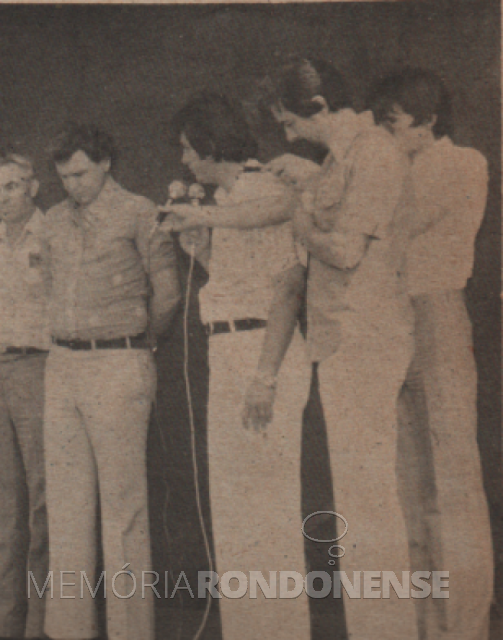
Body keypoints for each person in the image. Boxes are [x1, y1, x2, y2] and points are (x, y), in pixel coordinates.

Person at [266, 58, 415, 640]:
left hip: (364, 341)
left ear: (320, 106)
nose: (288, 136)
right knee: (360, 503)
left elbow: (347, 251)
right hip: (343, 341)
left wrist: (300, 216)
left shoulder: (374, 152)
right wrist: (309, 185)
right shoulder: (341, 158)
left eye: (289, 123)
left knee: (369, 504)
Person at [159, 92, 309, 638]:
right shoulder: (226, 202)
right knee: (234, 510)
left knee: (268, 509)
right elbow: (236, 282)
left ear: (209, 143)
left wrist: (264, 377)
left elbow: (288, 287)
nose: (184, 161)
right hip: (225, 350)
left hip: (262, 353)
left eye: (187, 149)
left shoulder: (263, 189)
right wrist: (201, 251)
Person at [41, 123, 179, 640]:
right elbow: (49, 288)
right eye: (63, 177)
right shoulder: (52, 220)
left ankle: (129, 633)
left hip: (119, 361)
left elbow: (167, 293)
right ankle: (69, 631)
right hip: (62, 365)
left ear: (105, 164)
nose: (71, 185)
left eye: (80, 173)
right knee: (66, 506)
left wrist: (140, 344)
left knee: (123, 510)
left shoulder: (139, 212)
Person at [369, 68, 493, 640]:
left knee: (452, 482)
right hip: (390, 321)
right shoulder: (396, 168)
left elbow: (393, 223)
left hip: (438, 318)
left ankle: (463, 628)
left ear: (428, 118)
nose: (385, 133)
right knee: (406, 487)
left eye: (392, 122)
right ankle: (422, 626)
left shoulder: (462, 163)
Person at [0, 154, 49, 640]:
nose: (4, 197)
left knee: (43, 499)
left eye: (12, 186)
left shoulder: (52, 233)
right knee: (1, 502)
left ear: (33, 187)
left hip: (38, 367)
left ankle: (42, 624)